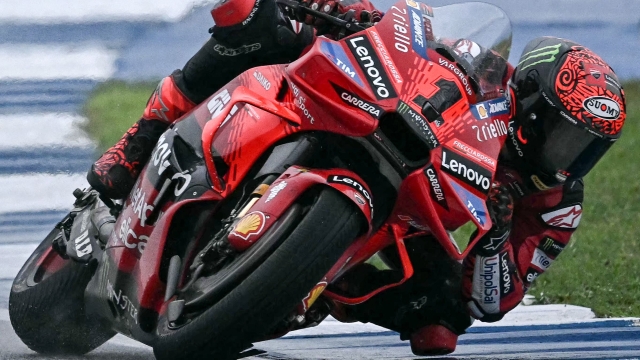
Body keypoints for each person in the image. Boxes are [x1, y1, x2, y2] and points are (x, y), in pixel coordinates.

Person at [85, 0, 627, 355]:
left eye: (587, 148)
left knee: (441, 324)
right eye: (565, 134)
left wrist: (498, 239)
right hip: (372, 116)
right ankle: (136, 143)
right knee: (263, 28)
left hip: (415, 217)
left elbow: (493, 301)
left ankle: (309, 290)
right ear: (530, 101)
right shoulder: (486, 73)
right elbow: (417, 32)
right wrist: (345, 12)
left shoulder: (557, 204)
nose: (571, 157)